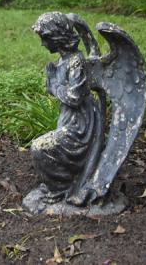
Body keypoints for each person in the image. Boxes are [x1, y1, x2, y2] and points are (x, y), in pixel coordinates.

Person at [28, 12, 103, 203]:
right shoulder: (62, 62)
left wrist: (54, 85)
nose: (43, 44)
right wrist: (52, 83)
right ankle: (59, 185)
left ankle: (61, 189)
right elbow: (58, 91)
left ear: (57, 37)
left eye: (45, 39)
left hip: (80, 128)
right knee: (43, 147)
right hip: (68, 120)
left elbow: (74, 97)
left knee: (39, 148)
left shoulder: (76, 61)